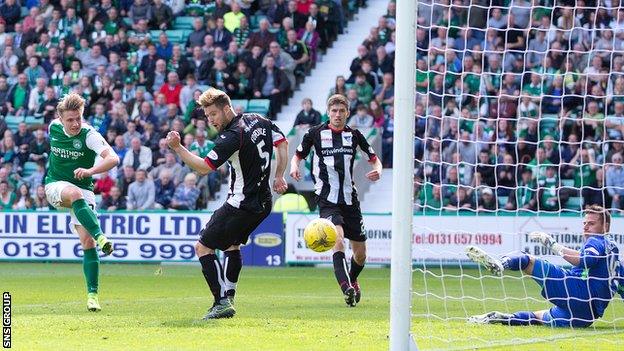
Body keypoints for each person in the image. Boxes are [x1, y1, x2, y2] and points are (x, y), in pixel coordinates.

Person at [166, 88, 289, 319]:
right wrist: (279, 175)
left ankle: (221, 301)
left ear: (226, 108)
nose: (211, 120)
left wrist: (178, 148)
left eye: (213, 114)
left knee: (202, 247)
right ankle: (228, 297)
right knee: (231, 245)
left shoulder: (231, 136)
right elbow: (282, 143)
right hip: (263, 203)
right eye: (207, 116)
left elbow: (203, 168)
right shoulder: (258, 119)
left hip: (241, 204)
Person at [289, 94, 382, 307]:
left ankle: (353, 278)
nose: (338, 115)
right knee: (337, 239)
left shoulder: (355, 135)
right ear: (328, 112)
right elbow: (298, 155)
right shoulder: (315, 134)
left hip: (350, 199)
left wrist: (377, 171)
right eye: (334, 111)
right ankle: (346, 288)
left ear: (347, 113)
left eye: (341, 111)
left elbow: (375, 160)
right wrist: (294, 167)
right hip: (326, 198)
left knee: (361, 255)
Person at [466, 205, 624, 328]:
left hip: (576, 292)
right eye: (584, 223)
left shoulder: (597, 240)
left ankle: (501, 264)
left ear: (605, 227)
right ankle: (498, 316)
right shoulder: (617, 260)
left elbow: (586, 260)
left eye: (591, 223)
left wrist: (553, 245)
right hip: (586, 316)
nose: (585, 227)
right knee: (536, 317)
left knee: (527, 260)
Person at [44, 93, 120, 312]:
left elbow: (113, 158)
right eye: (70, 119)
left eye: (78, 118)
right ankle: (102, 236)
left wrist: (90, 170)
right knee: (74, 194)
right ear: (60, 118)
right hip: (55, 185)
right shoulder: (53, 128)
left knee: (87, 243)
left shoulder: (89, 135)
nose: (75, 123)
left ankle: (92, 295)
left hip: (84, 188)